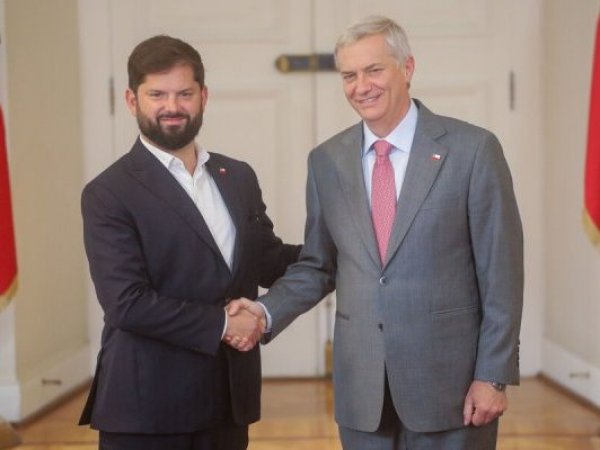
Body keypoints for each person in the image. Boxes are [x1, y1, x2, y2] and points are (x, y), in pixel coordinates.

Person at [227, 15, 523, 450]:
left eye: (373, 70)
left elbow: (502, 274)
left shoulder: (473, 150)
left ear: (407, 68)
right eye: (349, 75)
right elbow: (319, 266)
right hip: (362, 394)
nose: (361, 86)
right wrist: (263, 312)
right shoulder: (326, 161)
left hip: (451, 389)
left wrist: (493, 375)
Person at [79, 35, 300, 450]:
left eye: (184, 93)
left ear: (204, 97)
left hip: (227, 402)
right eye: (157, 95)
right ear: (131, 100)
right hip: (146, 409)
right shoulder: (108, 193)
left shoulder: (238, 176)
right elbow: (126, 302)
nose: (172, 106)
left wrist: (346, 247)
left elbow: (267, 261)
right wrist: (224, 324)